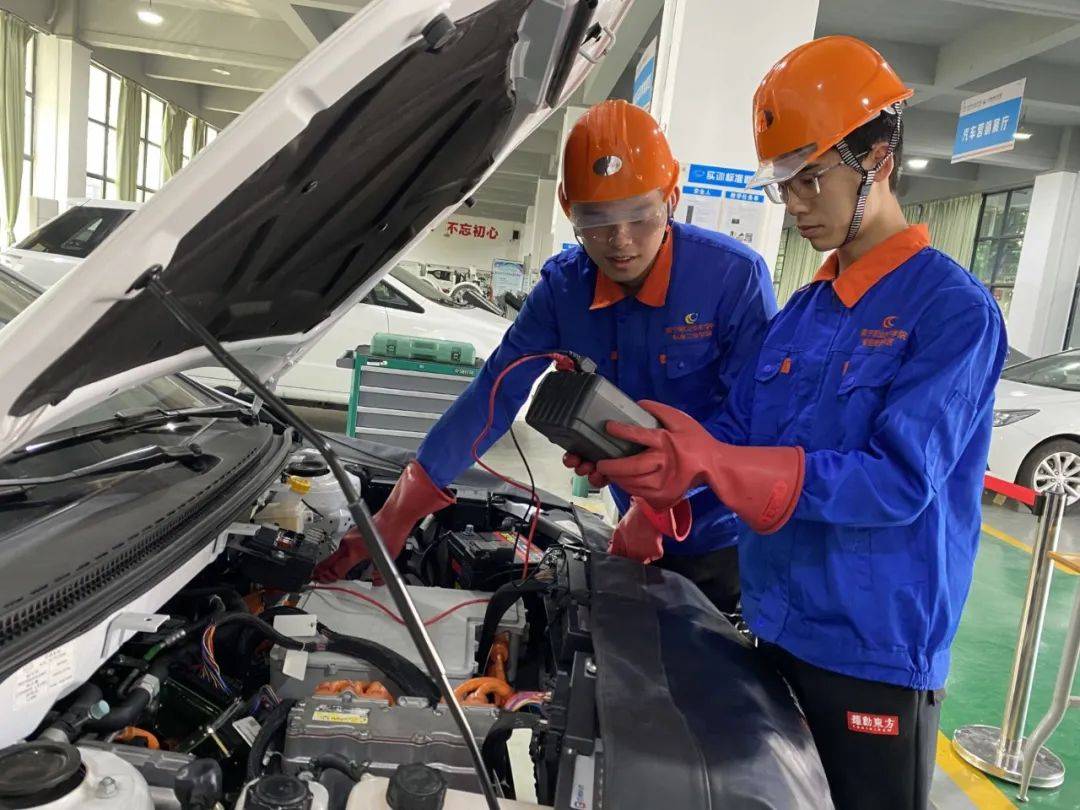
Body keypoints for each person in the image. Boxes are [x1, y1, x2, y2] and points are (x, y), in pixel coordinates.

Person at [586, 37, 1008, 810]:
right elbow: (736, 437)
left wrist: (717, 463)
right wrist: (656, 472)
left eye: (810, 178)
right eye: (783, 184)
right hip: (776, 623)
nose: (795, 204)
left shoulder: (952, 312)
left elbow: (897, 482)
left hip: (871, 652)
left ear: (877, 158)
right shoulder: (804, 312)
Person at [315, 99, 778, 612]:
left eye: (640, 216)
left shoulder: (732, 278)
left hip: (722, 536)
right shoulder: (564, 290)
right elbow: (494, 393)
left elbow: (755, 418)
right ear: (567, 209)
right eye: (595, 220)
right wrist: (398, 512)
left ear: (672, 197)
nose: (620, 241)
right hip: (630, 523)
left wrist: (660, 506)